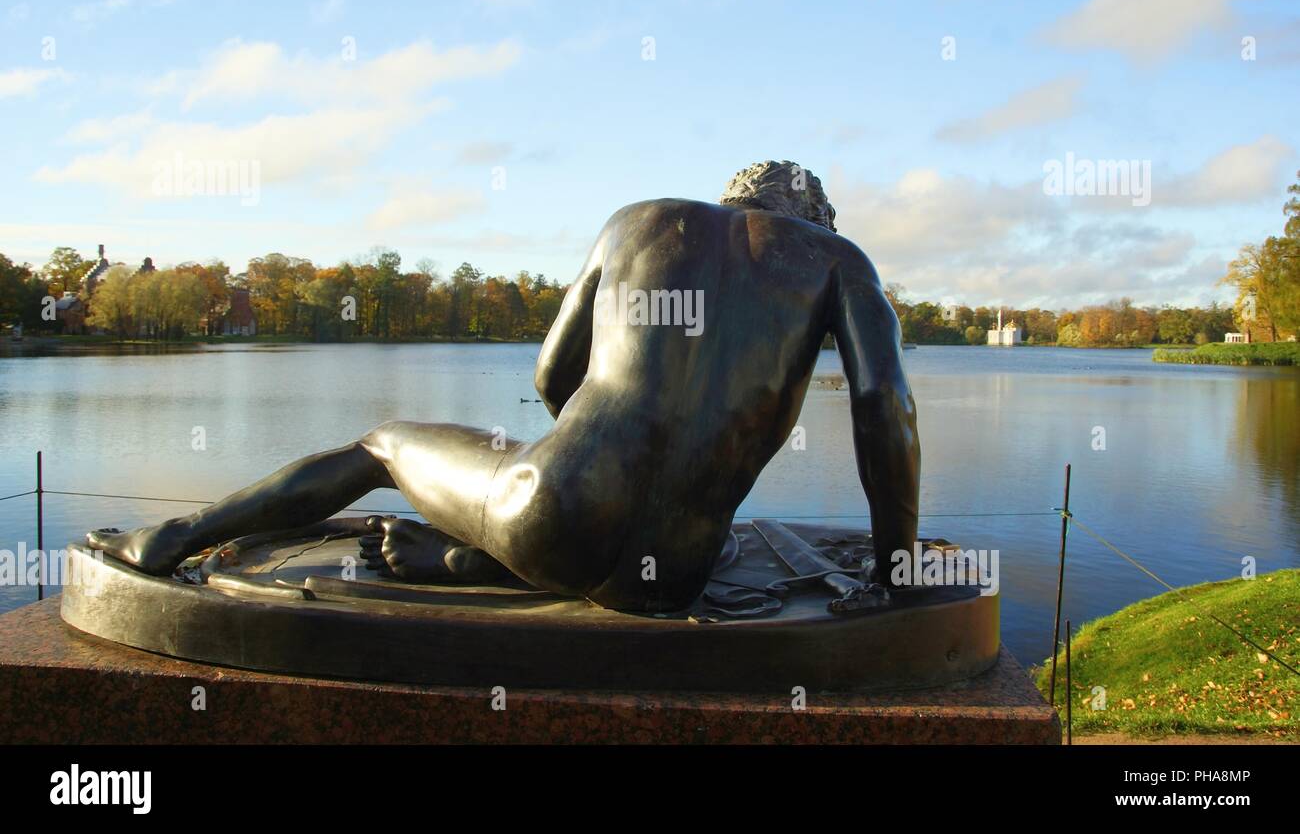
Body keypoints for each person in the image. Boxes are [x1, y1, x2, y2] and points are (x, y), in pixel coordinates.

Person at [89, 161, 920, 614]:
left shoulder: (637, 221)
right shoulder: (840, 265)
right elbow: (886, 408)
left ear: (731, 194)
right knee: (695, 536)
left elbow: (551, 374)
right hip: (670, 581)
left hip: (551, 505)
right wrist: (893, 570)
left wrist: (593, 460)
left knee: (381, 446)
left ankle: (174, 540)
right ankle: (471, 555)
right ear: (814, 219)